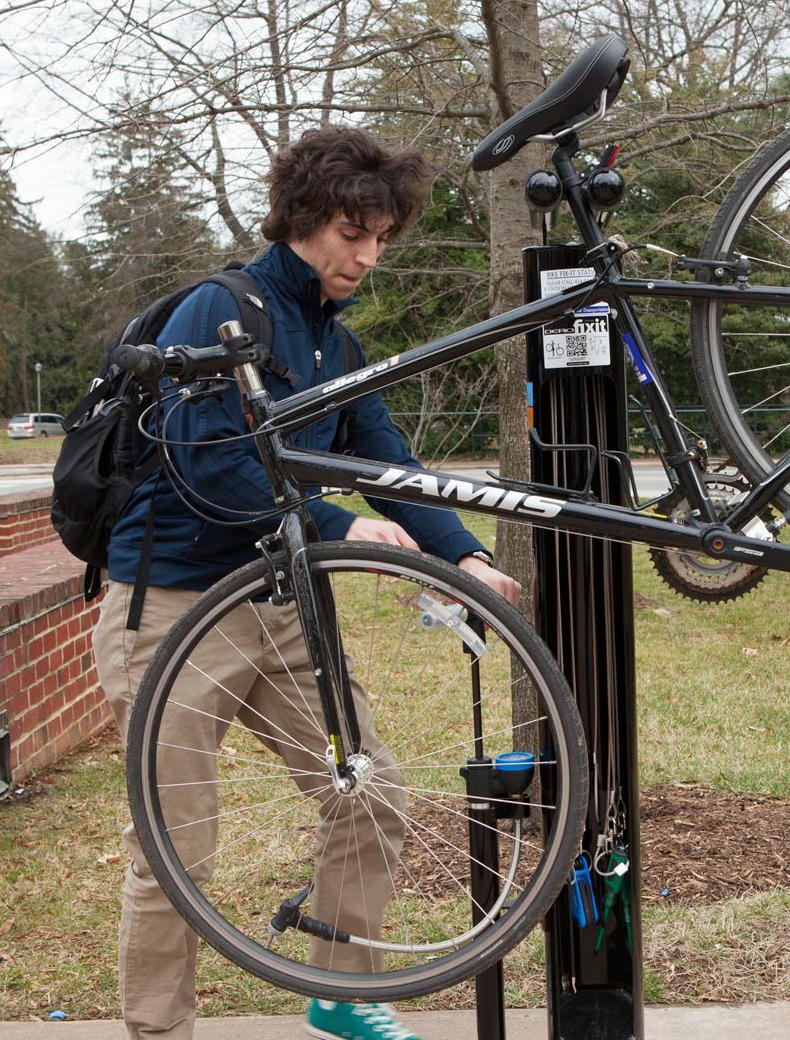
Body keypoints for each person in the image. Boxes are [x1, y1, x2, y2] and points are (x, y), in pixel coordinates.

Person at [93, 126, 518, 1040]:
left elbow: (386, 462)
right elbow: (209, 466)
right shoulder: (219, 311)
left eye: (379, 238)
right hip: (172, 612)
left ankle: (340, 989)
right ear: (300, 219)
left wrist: (463, 552)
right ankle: (158, 1030)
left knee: (370, 793)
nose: (366, 256)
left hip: (282, 603)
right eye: (349, 234)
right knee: (176, 845)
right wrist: (337, 525)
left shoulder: (336, 341)